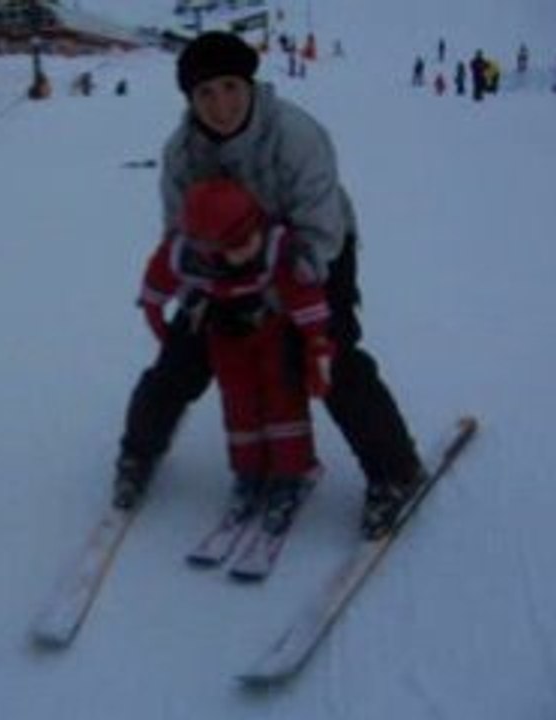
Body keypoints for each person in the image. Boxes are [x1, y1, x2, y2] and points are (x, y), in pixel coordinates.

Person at [110, 31, 425, 540]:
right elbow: (180, 235)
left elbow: (320, 230)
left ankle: (396, 471)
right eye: (205, 93)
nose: (221, 104)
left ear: (250, 84)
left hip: (311, 254)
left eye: (231, 87)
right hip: (223, 264)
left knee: (329, 356)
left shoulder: (297, 135)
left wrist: (270, 300)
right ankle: (137, 453)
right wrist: (213, 288)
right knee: (184, 354)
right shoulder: (183, 153)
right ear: (190, 99)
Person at [133, 178, 335, 531]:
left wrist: (318, 347)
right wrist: (157, 320)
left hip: (272, 333)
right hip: (224, 339)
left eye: (249, 237)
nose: (247, 248)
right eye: (236, 244)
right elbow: (157, 283)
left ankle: (291, 474)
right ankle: (249, 472)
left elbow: (308, 301)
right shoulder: (185, 254)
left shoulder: (278, 249)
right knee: (239, 406)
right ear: (207, 246)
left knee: (282, 402)